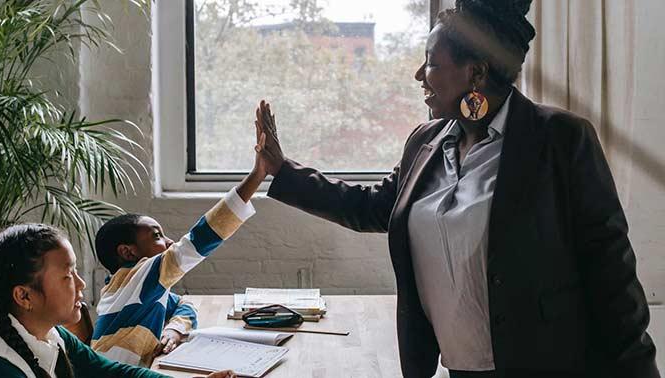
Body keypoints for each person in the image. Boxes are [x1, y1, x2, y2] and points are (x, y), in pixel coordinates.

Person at [252, 0, 660, 377]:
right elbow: (374, 207)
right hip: (458, 369)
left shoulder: (561, 141)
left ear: (476, 72)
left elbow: (613, 281)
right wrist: (282, 171)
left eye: (430, 63)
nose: (419, 75)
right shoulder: (425, 143)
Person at [0, 224, 236, 378]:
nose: (81, 285)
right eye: (67, 276)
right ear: (24, 295)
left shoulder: (41, 330)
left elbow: (107, 372)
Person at [89, 131, 268, 367]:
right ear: (128, 252)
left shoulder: (137, 288)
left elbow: (184, 304)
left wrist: (174, 329)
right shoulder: (138, 277)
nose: (169, 242)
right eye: (156, 236)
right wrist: (257, 175)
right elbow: (199, 240)